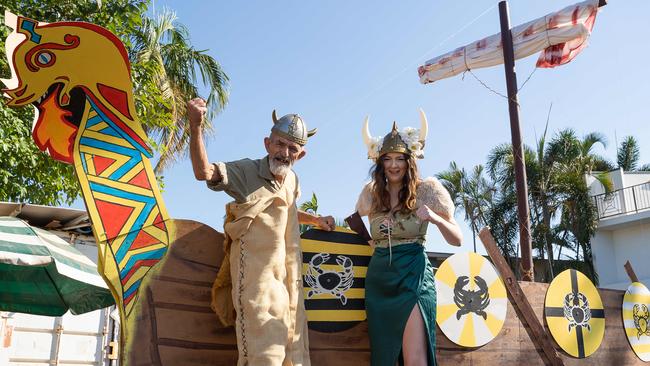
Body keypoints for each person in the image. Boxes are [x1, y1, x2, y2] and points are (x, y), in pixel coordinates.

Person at [187, 98, 335, 366]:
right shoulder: (246, 171)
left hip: (288, 286)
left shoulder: (292, 179)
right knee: (264, 357)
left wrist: (315, 220)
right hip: (255, 284)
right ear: (267, 143)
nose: (284, 152)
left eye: (292, 148)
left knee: (293, 355)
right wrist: (195, 125)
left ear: (301, 155)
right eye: (279, 144)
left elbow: (286, 210)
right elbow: (203, 172)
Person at [355, 110, 463, 366]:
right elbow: (354, 219)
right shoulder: (371, 193)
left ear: (410, 161)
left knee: (416, 358)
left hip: (413, 274)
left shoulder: (427, 190)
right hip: (380, 276)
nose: (394, 165)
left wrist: (435, 219)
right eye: (388, 159)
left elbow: (457, 239)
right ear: (380, 162)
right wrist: (372, 241)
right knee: (383, 357)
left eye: (400, 159)